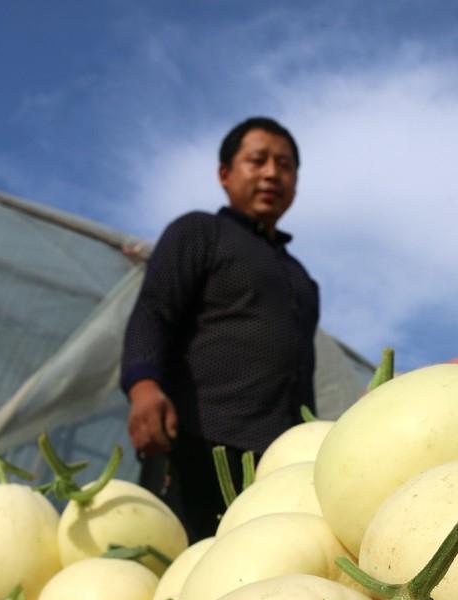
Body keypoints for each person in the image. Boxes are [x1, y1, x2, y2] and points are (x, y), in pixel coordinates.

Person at [119, 117, 319, 542]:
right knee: (180, 569)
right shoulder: (200, 233)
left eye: (284, 165)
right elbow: (155, 310)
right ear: (225, 174)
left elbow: (301, 376)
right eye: (257, 160)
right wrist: (143, 385)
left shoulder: (302, 279)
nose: (271, 173)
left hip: (276, 469)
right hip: (197, 443)